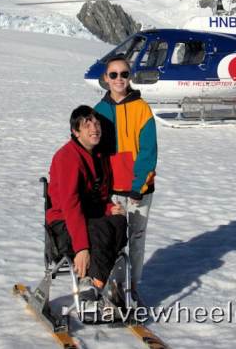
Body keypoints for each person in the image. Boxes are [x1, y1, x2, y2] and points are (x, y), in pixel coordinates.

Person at [46, 105, 127, 301]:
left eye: (96, 123)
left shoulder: (98, 155)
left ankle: (97, 282)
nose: (94, 128)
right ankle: (90, 285)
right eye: (87, 124)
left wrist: (109, 207)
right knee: (100, 229)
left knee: (118, 221)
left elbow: (96, 196)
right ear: (76, 132)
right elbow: (70, 205)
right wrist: (81, 248)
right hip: (64, 224)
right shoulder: (67, 157)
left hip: (89, 218)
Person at [94, 56, 157, 300]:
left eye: (124, 74)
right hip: (112, 189)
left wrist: (138, 184)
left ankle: (133, 287)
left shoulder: (142, 108)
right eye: (114, 75)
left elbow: (149, 151)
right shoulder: (98, 112)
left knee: (137, 238)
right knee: (115, 238)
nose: (119, 79)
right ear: (105, 79)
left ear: (130, 77)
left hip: (140, 188)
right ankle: (116, 288)